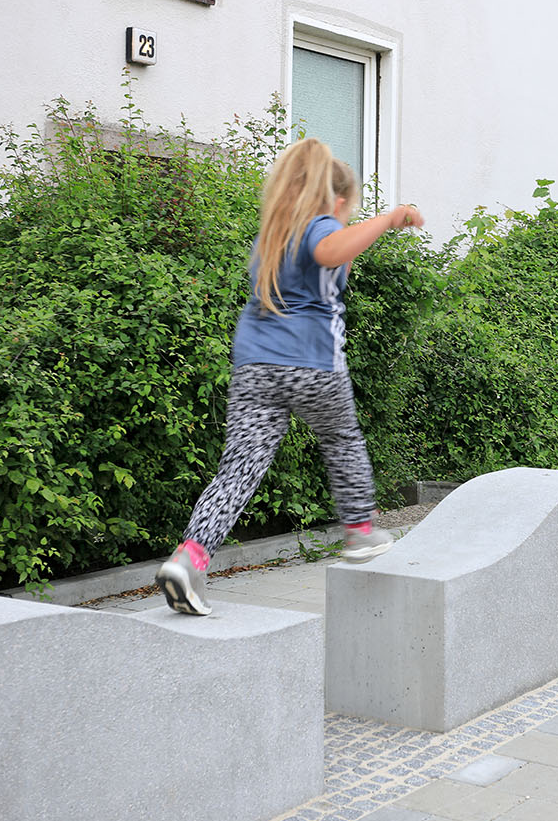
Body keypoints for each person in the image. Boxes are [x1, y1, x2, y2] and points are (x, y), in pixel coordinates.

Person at [155, 137, 425, 615]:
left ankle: (189, 559)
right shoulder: (320, 225)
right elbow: (330, 250)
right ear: (337, 201)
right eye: (349, 210)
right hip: (312, 364)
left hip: (256, 366)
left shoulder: (273, 234)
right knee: (342, 439)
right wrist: (388, 218)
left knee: (239, 469)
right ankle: (360, 531)